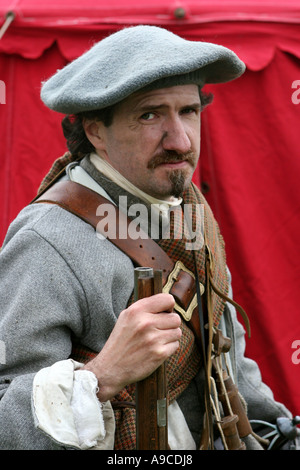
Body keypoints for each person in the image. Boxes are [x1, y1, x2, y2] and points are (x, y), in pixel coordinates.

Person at [0, 25, 298, 451]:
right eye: (149, 114)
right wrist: (100, 377)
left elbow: (226, 362)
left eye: (189, 111)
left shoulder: (191, 212)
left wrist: (277, 432)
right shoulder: (46, 242)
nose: (180, 140)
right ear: (95, 131)